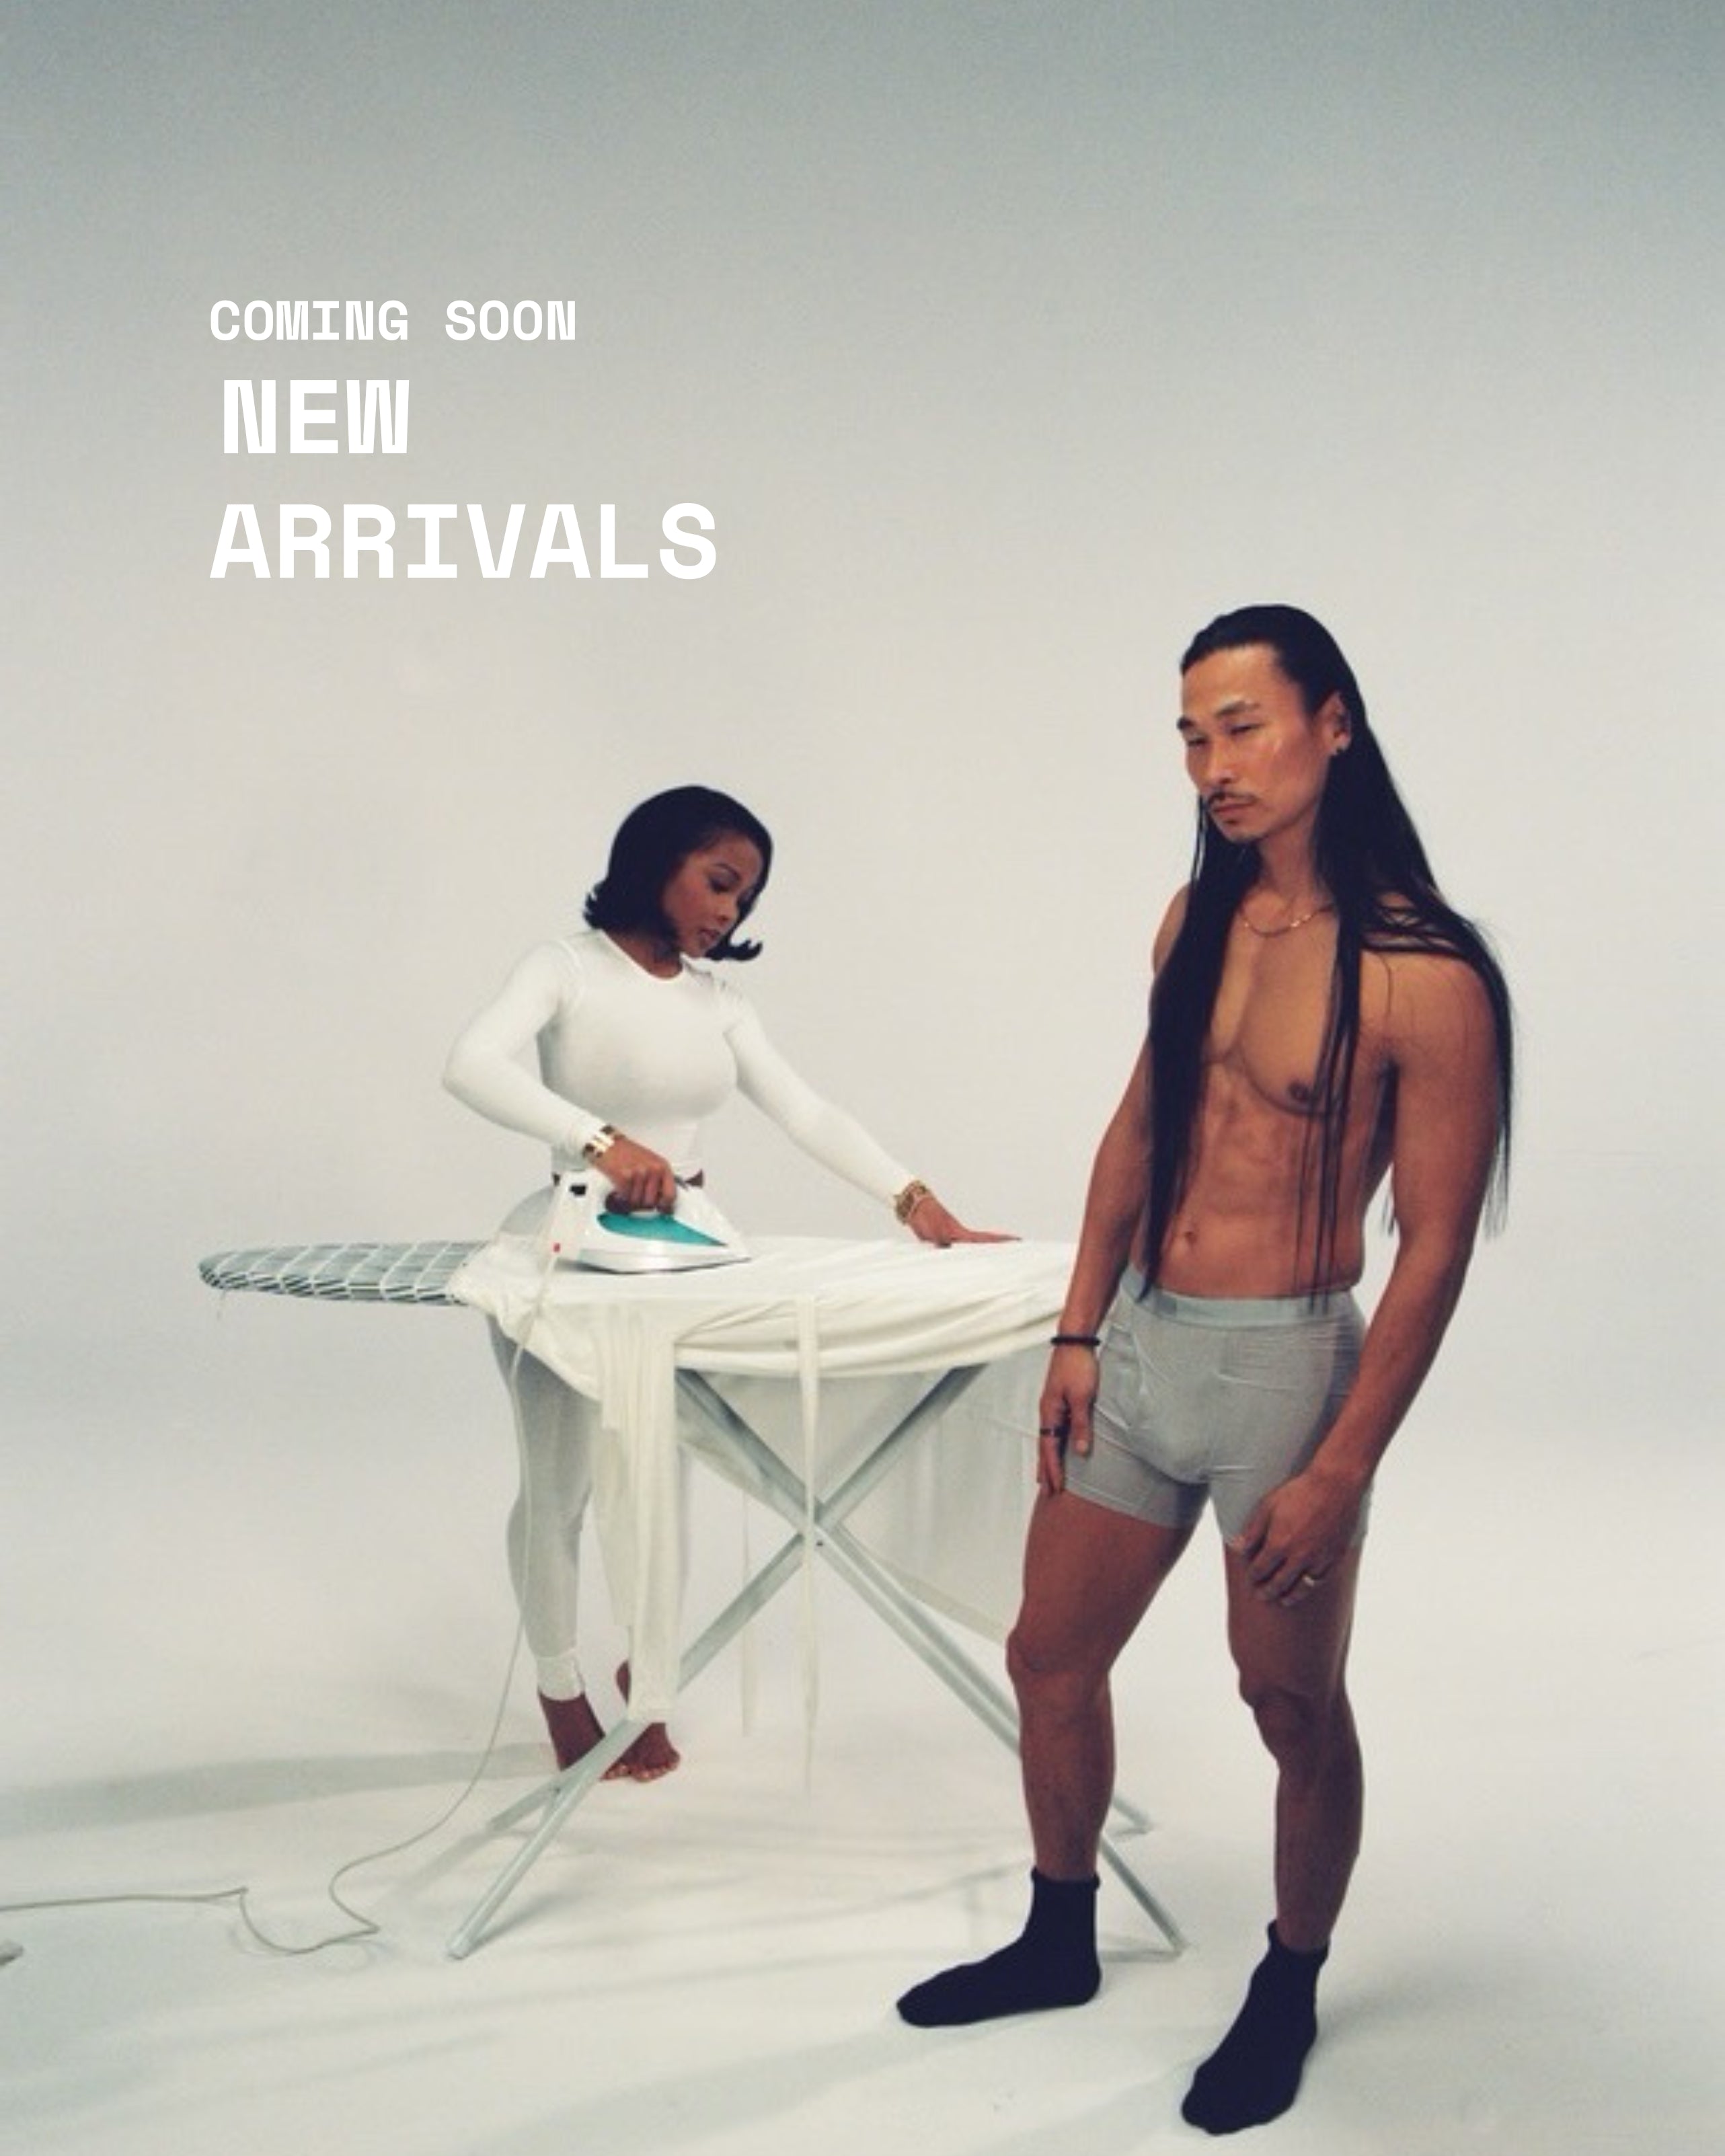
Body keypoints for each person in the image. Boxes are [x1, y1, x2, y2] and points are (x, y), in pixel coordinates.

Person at [896, 606, 1512, 2135]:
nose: (1212, 764)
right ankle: (1058, 1935)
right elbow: (1138, 1130)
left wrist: (1341, 1463)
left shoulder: (1424, 970)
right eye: (1189, 735)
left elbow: (1435, 1245)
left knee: (1286, 1702)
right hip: (1142, 1341)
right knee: (1046, 1655)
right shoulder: (1194, 923)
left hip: (1281, 1372)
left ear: (1331, 725)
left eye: (1241, 726)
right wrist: (1075, 1329)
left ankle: (1287, 1981)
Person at [445, 785, 999, 1782]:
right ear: (656, 860)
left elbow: (807, 1111)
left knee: (663, 1478)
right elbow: (471, 1064)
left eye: (744, 897)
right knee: (561, 1482)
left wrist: (914, 1200)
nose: (729, 910)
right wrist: (600, 1141)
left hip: (680, 1258)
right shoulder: (565, 967)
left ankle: (647, 1671)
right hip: (572, 1248)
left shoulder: (718, 1003)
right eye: (718, 882)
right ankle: (560, 1684)